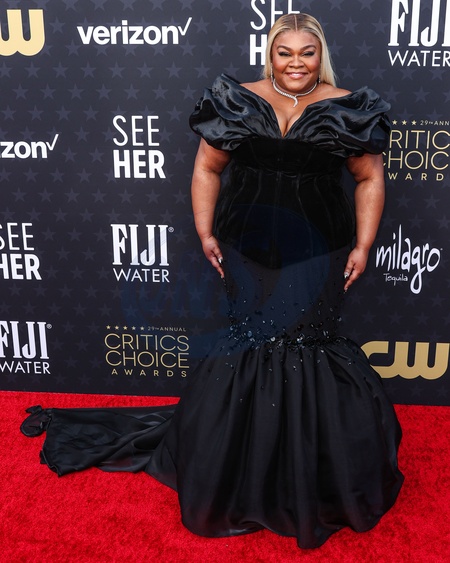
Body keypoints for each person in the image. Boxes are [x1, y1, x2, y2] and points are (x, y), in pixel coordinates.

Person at [21, 14, 404, 550]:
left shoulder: (348, 107)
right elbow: (207, 168)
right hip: (246, 246)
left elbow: (369, 178)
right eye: (285, 52)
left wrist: (363, 244)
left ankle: (303, 475)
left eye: (307, 52)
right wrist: (204, 230)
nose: (296, 63)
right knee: (252, 344)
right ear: (270, 54)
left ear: (321, 55)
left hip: (320, 252)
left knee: (307, 346)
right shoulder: (238, 101)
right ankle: (239, 470)